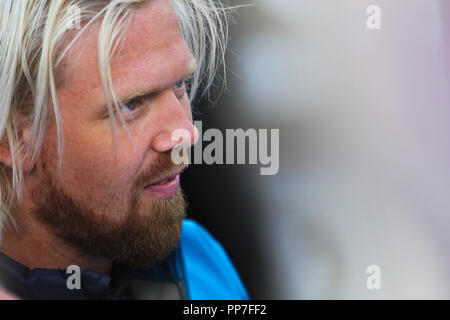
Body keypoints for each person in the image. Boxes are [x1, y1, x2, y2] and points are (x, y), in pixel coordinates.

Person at [0, 0, 249, 300]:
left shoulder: (199, 260)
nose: (186, 134)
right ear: (14, 139)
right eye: (130, 105)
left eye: (179, 84)